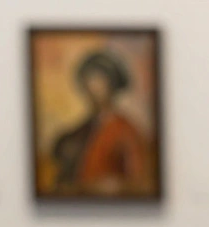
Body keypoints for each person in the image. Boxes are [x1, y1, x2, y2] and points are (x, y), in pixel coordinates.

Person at [52, 51, 148, 195]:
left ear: (112, 85)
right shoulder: (78, 131)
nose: (93, 87)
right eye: (88, 81)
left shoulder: (126, 130)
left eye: (99, 80)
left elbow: (139, 181)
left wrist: (114, 186)